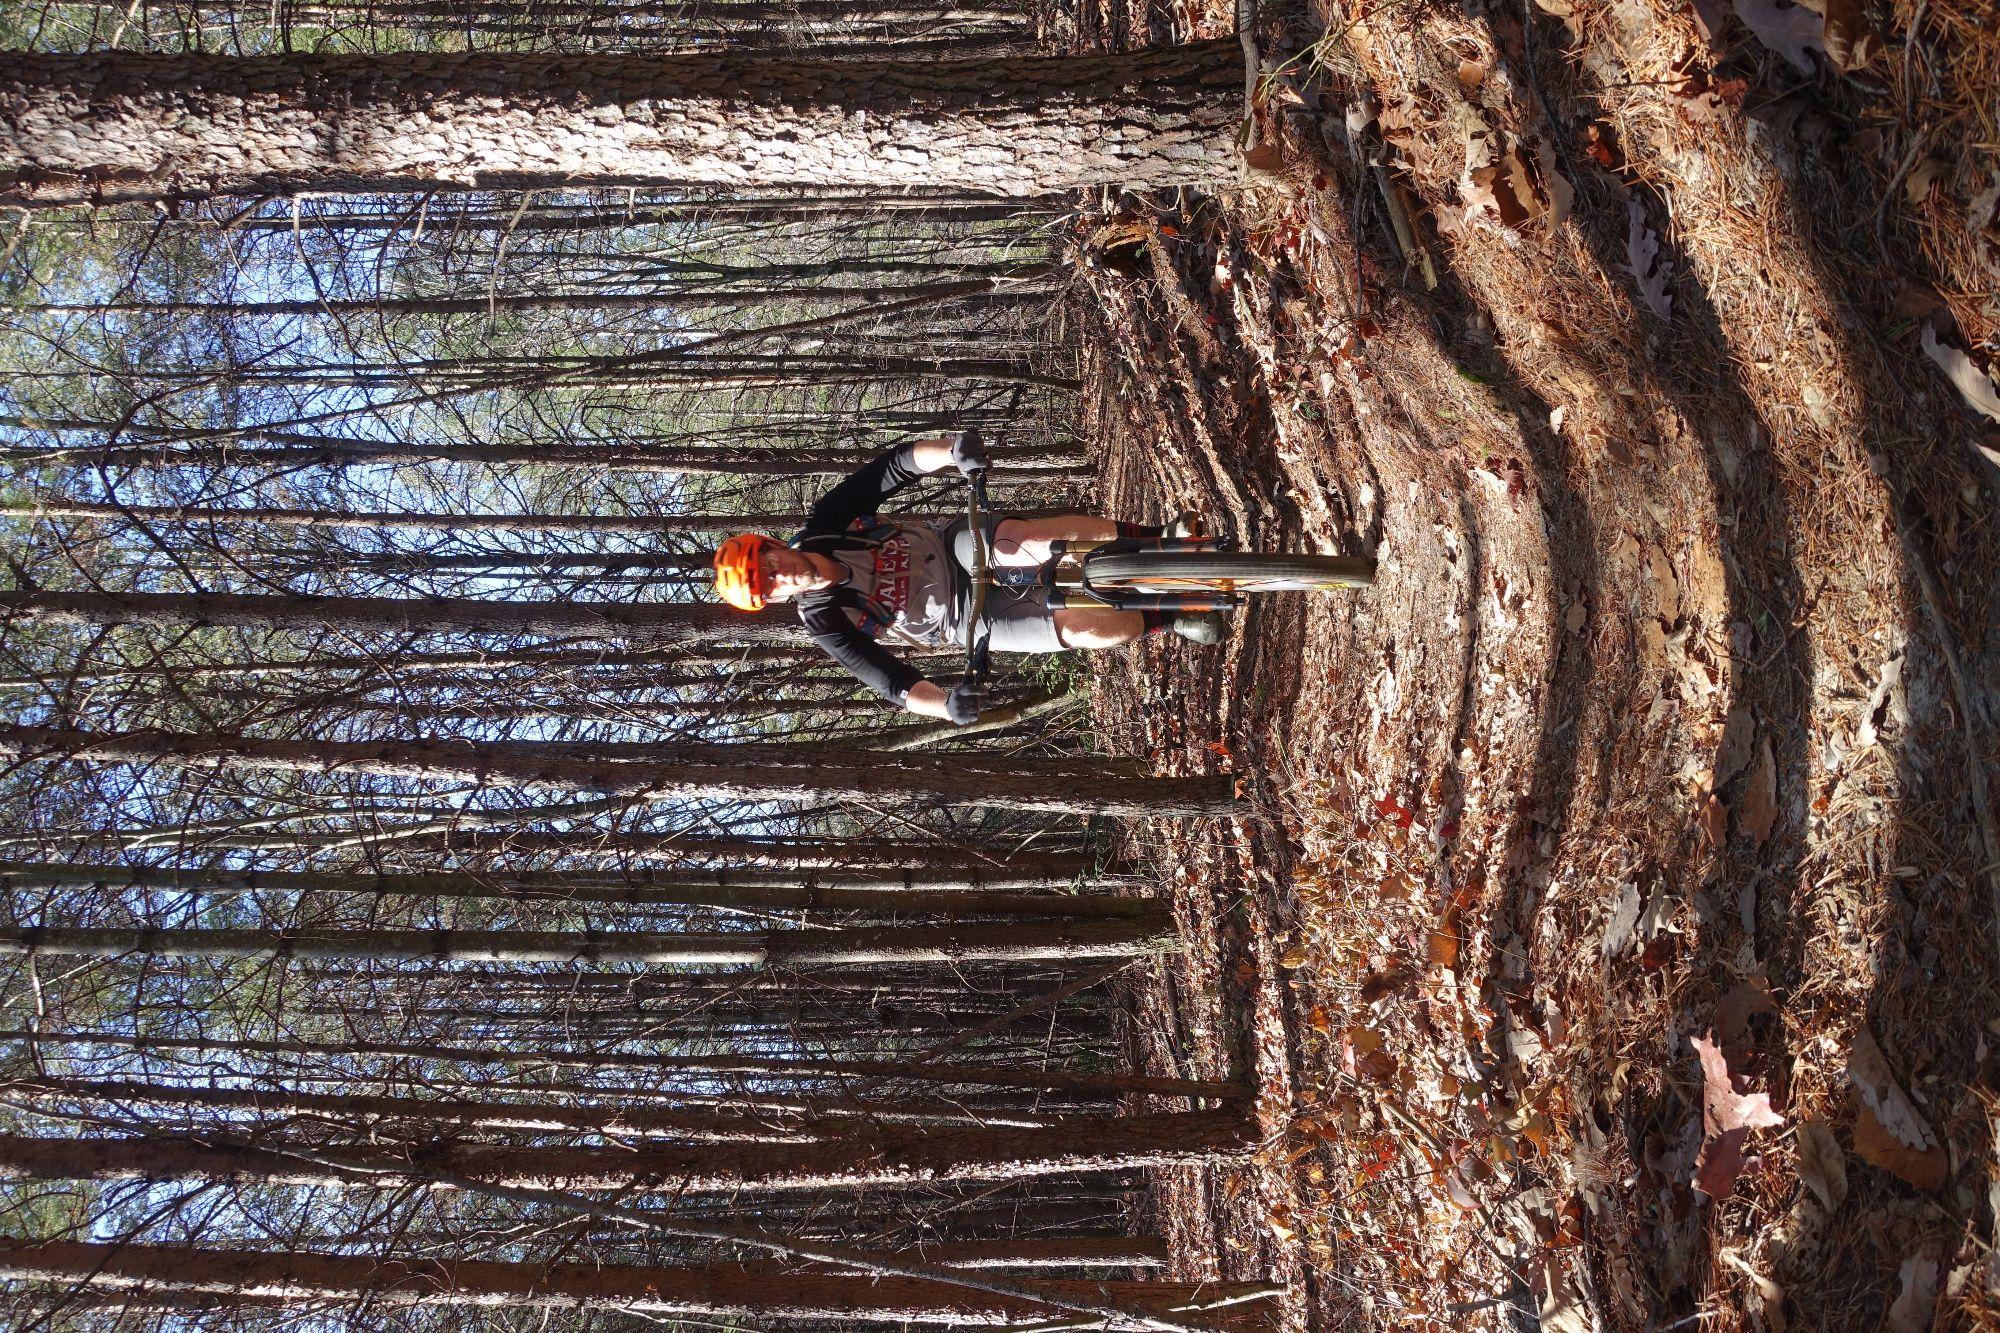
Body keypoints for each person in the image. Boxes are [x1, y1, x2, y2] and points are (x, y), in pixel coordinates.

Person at [710, 430, 1225, 725]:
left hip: (952, 549)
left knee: (1020, 543)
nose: (779, 577)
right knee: (1086, 629)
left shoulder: (827, 525)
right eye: (767, 587)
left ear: (773, 545)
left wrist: (952, 450)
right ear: (773, 600)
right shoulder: (826, 621)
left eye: (767, 564)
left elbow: (895, 467)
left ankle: (1160, 538)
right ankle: (1171, 612)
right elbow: (890, 682)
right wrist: (946, 706)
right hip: (965, 620)